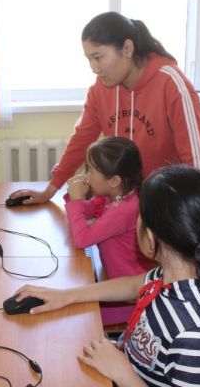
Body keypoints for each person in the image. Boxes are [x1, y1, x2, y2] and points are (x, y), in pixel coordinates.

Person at [13, 166, 200, 386]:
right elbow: (134, 285)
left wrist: (123, 373)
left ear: (149, 238)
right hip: (124, 362)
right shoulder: (170, 276)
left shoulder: (195, 335)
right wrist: (67, 296)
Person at [9, 12, 200, 205]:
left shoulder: (172, 84)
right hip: (119, 201)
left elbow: (199, 162)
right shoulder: (101, 88)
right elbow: (81, 139)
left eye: (98, 57)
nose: (94, 68)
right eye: (89, 59)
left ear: (127, 49)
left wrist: (195, 214)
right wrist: (50, 190)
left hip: (163, 203)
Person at [64, 136, 152, 326]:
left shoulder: (123, 210)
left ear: (114, 181)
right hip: (114, 280)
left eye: (90, 170)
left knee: (76, 319)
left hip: (128, 298)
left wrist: (76, 200)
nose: (86, 176)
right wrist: (74, 196)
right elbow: (87, 210)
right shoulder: (116, 197)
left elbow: (82, 239)